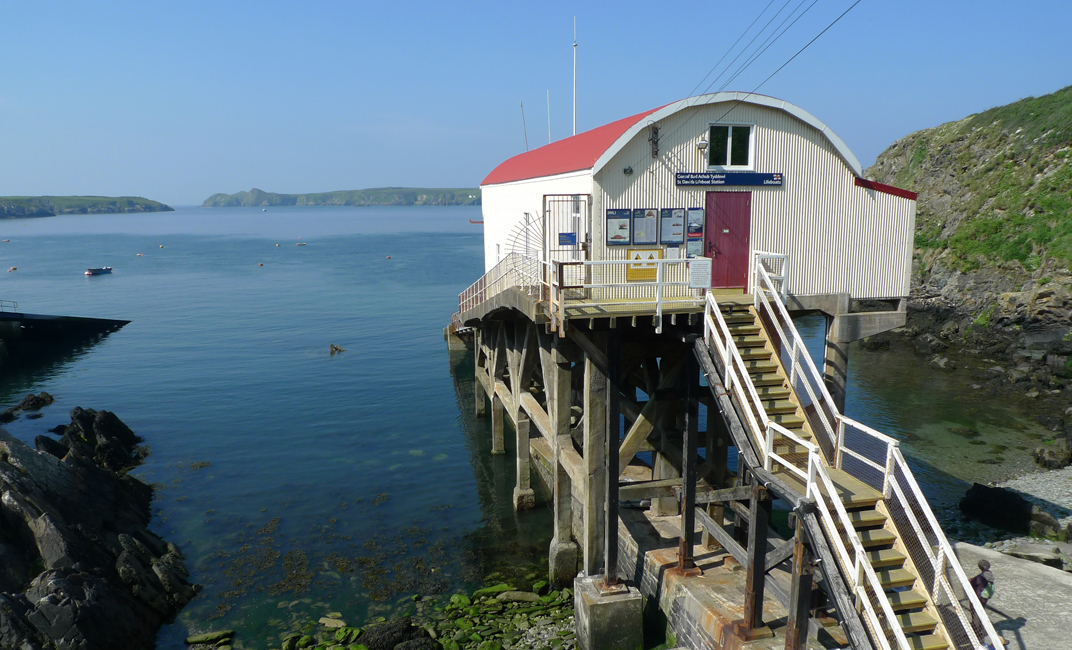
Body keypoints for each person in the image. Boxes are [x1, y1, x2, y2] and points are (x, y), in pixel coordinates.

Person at [970, 559, 995, 634]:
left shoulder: (979, 578)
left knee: (975, 612)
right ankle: (979, 627)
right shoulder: (990, 574)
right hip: (985, 597)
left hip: (978, 597)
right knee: (981, 610)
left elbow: (972, 582)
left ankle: (976, 630)